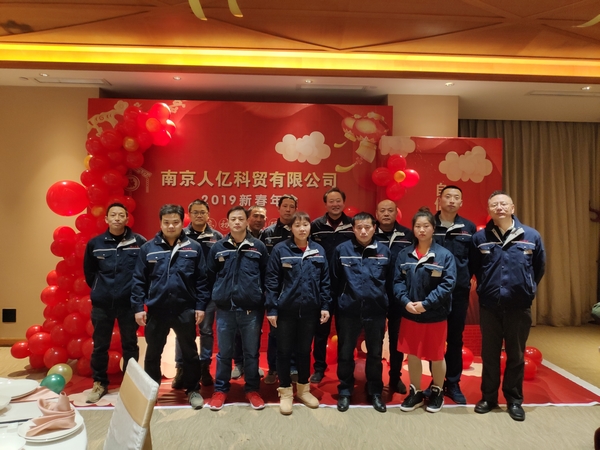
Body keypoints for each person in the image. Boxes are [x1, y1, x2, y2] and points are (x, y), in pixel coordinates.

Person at [471, 191, 545, 422]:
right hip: (490, 306)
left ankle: (514, 400)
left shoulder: (531, 236)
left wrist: (526, 288)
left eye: (504, 204)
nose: (499, 208)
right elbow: (475, 268)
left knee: (516, 354)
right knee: (489, 354)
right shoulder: (480, 238)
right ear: (489, 210)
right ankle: (489, 398)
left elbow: (539, 268)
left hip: (518, 306)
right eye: (494, 205)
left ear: (512, 208)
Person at [130, 204, 208, 409]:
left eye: (175, 222)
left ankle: (193, 389)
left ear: (182, 223)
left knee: (190, 352)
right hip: (157, 310)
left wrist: (200, 306)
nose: (171, 226)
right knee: (153, 353)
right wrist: (138, 307)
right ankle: (151, 391)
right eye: (166, 222)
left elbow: (202, 280)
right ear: (160, 223)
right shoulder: (148, 248)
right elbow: (138, 280)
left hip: (185, 309)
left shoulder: (194, 247)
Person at [265, 211, 331, 415]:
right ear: (291, 228)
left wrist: (325, 306)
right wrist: (272, 308)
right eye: (297, 225)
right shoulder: (280, 249)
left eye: (305, 225)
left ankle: (303, 389)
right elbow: (272, 281)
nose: (302, 229)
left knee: (304, 351)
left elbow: (325, 281)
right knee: (284, 352)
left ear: (310, 227)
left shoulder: (318, 250)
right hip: (285, 311)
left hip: (310, 311)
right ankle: (285, 391)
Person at [207, 206, 269, 411]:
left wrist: (259, 298)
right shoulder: (218, 248)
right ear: (228, 222)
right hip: (225, 310)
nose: (237, 222)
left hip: (251, 311)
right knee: (224, 354)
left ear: (246, 221)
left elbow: (266, 276)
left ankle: (252, 389)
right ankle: (220, 390)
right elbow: (210, 275)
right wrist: (218, 295)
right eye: (233, 219)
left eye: (241, 219)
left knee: (251, 353)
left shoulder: (258, 247)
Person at [394, 207, 456, 413]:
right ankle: (416, 392)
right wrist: (405, 302)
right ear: (413, 229)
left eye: (426, 226)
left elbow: (447, 285)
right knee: (413, 354)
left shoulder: (444, 255)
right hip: (410, 313)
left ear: (433, 228)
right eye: (418, 226)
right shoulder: (404, 254)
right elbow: (397, 282)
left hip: (435, 315)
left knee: (437, 355)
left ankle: (437, 391)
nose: (421, 230)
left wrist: (426, 304)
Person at [83, 203, 147, 403]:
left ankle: (130, 384)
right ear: (106, 219)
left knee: (130, 345)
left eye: (121, 215)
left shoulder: (139, 242)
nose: (117, 218)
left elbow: (144, 272)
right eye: (113, 215)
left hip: (129, 304)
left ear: (127, 219)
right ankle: (99, 382)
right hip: (102, 304)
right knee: (100, 346)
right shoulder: (95, 244)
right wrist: (100, 289)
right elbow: (90, 273)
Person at [331, 212, 391, 413]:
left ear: (374, 228)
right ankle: (345, 390)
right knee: (346, 352)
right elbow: (334, 280)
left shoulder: (384, 251)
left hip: (376, 311)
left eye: (367, 227)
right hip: (348, 310)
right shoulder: (342, 250)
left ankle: (374, 391)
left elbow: (390, 282)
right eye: (359, 227)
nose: (363, 231)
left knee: (375, 353)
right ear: (353, 229)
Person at [431, 185, 476, 404]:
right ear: (439, 200)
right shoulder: (428, 224)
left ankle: (453, 382)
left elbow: (474, 259)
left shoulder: (468, 227)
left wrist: (467, 279)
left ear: (461, 202)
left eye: (456, 197)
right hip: (432, 292)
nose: (451, 200)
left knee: (455, 338)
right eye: (447, 196)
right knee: (434, 339)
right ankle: (435, 383)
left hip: (458, 292)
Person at [171, 199, 223, 389]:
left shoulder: (217, 237)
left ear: (208, 215)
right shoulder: (180, 235)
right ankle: (181, 368)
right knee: (183, 332)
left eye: (202, 212)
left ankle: (204, 367)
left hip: (208, 293)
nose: (199, 215)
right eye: (195, 212)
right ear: (189, 214)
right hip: (185, 292)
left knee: (206, 331)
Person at [310, 187, 354, 383]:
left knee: (346, 331)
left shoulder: (353, 225)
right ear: (326, 204)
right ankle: (319, 368)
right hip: (322, 286)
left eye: (338, 201)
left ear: (344, 203)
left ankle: (345, 371)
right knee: (321, 331)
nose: (335, 204)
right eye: (331, 201)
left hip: (346, 285)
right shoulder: (315, 226)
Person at [374, 199, 413, 396]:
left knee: (397, 340)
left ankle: (395, 377)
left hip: (399, 294)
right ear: (377, 213)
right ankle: (374, 380)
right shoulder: (369, 233)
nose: (386, 214)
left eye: (390, 210)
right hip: (375, 294)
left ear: (396, 212)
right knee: (375, 340)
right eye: (382, 210)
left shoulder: (408, 235)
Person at [261, 194, 298, 384]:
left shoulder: (300, 230)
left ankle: (293, 367)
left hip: (295, 289)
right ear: (279, 208)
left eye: (292, 206)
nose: (288, 209)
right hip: (274, 289)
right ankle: (273, 369)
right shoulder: (267, 233)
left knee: (295, 332)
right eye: (285, 206)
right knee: (275, 332)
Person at [230, 204, 267, 380]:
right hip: (235, 295)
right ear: (247, 219)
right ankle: (238, 363)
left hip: (256, 295)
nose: (259, 219)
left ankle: (252, 365)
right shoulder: (233, 238)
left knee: (254, 333)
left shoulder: (266, 237)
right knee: (236, 332)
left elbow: (266, 270)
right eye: (255, 216)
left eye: (262, 216)